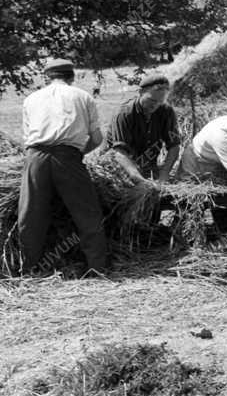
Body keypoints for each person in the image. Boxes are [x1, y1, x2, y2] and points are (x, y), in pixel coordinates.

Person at [18, 58, 107, 275]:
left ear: (47, 77)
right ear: (72, 76)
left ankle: (29, 268)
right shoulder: (83, 97)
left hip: (36, 157)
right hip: (69, 157)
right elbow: (97, 139)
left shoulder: (31, 99)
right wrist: (76, 154)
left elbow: (26, 140)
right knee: (87, 212)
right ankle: (96, 268)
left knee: (30, 214)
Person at [104, 73, 181, 184]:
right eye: (152, 100)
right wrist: (138, 178)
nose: (155, 105)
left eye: (160, 101)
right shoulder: (124, 114)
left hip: (146, 167)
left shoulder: (166, 112)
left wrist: (163, 177)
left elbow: (174, 146)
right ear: (140, 93)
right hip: (118, 168)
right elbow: (120, 152)